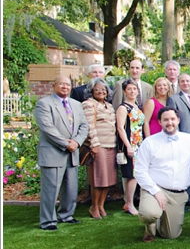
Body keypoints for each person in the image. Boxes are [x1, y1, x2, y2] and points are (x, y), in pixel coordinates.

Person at [135, 107, 190, 241]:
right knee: (149, 214)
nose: (169, 122)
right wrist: (155, 191)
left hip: (177, 193)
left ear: (178, 120)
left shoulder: (189, 140)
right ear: (160, 122)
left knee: (171, 235)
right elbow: (139, 171)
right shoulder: (149, 142)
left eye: (172, 119)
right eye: (165, 119)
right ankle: (150, 225)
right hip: (155, 188)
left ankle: (161, 220)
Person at [35, 76, 89, 230]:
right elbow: (47, 128)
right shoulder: (44, 104)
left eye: (68, 84)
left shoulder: (76, 105)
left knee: (71, 188)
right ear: (54, 86)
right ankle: (48, 221)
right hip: (54, 152)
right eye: (62, 84)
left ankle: (66, 215)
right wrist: (66, 144)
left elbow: (84, 126)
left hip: (72, 152)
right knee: (51, 189)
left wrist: (77, 142)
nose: (65, 87)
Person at [81, 78, 117, 219]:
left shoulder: (109, 106)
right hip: (99, 146)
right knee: (98, 178)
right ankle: (94, 206)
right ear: (91, 91)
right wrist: (94, 144)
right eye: (97, 89)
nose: (101, 92)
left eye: (104, 89)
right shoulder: (89, 105)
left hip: (111, 145)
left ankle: (101, 205)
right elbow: (89, 126)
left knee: (108, 178)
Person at [115, 79, 145, 216]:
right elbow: (120, 128)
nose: (132, 91)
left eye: (134, 89)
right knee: (131, 176)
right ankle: (129, 204)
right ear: (124, 91)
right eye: (129, 89)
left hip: (139, 143)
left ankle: (129, 201)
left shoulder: (137, 106)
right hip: (130, 144)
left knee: (136, 175)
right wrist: (128, 146)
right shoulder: (123, 108)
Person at [167, 73, 190, 143]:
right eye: (182, 81)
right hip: (183, 136)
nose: (185, 83)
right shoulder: (173, 99)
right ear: (178, 84)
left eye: (187, 81)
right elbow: (171, 119)